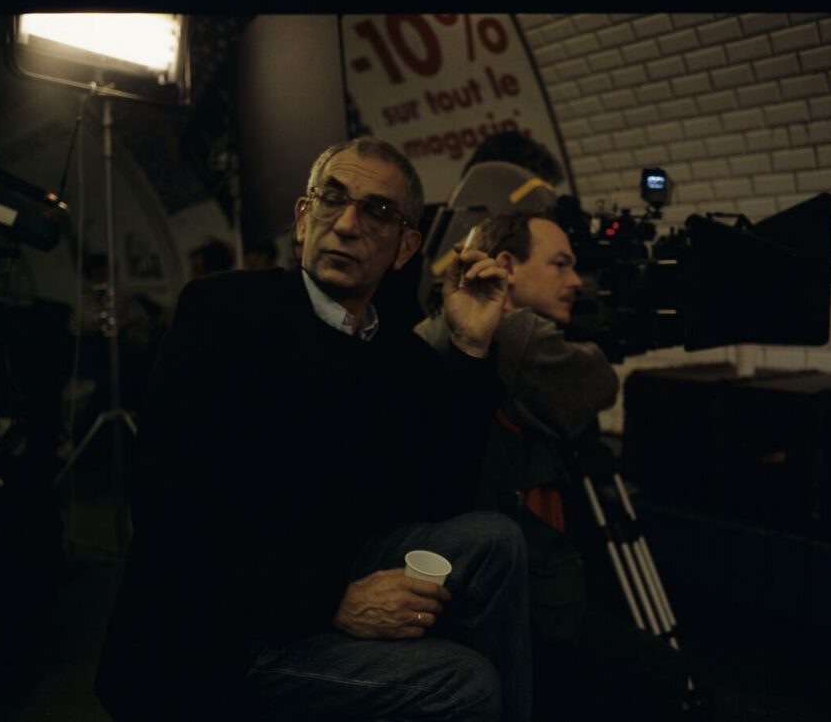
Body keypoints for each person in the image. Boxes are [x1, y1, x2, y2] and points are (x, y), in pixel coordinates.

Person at [95, 136, 535, 722]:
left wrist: (471, 345)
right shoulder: (224, 313)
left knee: (496, 540)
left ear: (406, 247)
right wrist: (332, 602)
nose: (347, 225)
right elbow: (168, 502)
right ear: (303, 219)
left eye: (377, 211)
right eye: (332, 199)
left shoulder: (395, 353)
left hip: (328, 570)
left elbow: (439, 495)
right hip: (219, 627)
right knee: (465, 684)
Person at [416, 211, 689, 721]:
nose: (575, 281)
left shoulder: (437, 331)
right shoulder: (516, 337)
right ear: (505, 267)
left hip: (477, 599)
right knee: (660, 674)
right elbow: (598, 381)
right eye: (560, 264)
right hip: (516, 613)